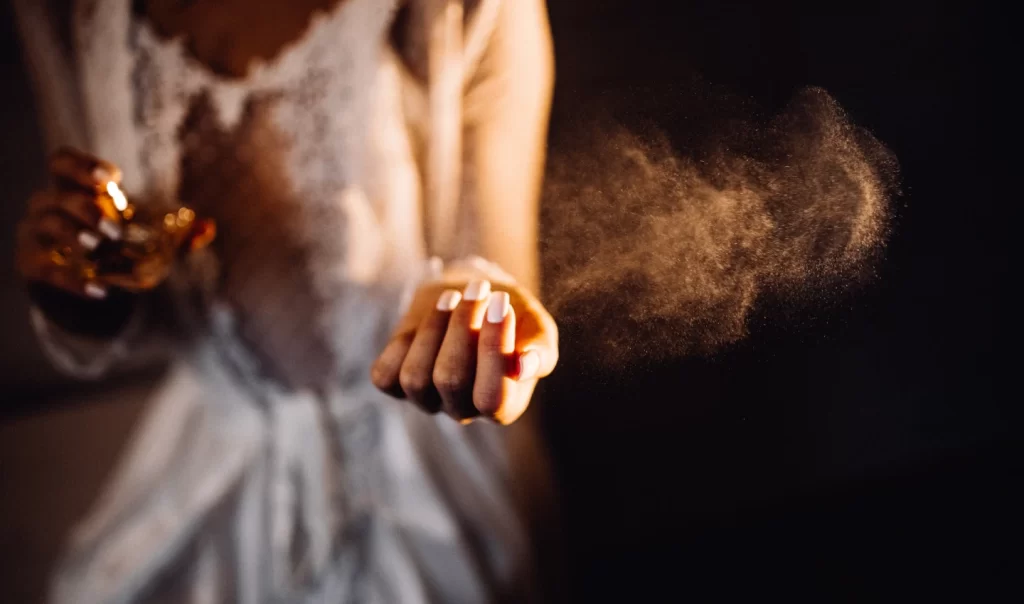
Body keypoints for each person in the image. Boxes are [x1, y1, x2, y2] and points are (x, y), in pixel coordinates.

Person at [11, 0, 560, 601]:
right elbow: (116, 269)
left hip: (411, 470)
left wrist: (476, 325)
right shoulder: (62, 11)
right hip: (213, 457)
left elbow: (498, 265)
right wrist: (74, 281)